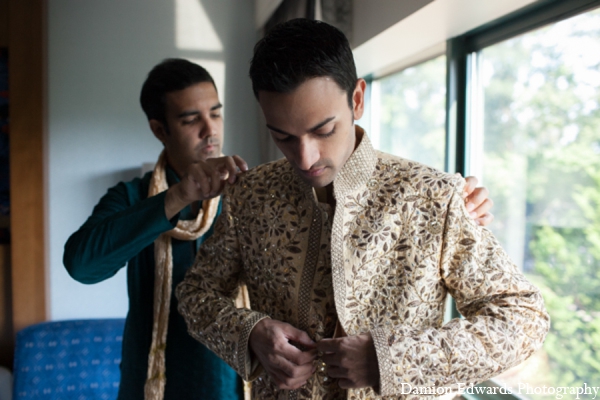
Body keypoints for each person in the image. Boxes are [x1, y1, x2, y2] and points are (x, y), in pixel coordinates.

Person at [176, 19, 549, 400]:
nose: (305, 158)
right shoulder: (249, 196)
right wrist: (251, 334)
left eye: (323, 130)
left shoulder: (432, 195)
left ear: (356, 99)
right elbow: (195, 294)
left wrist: (391, 360)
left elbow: (523, 318)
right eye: (283, 137)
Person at [63, 59, 248, 400]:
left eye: (215, 113)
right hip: (153, 386)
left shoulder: (247, 194)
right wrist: (177, 196)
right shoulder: (133, 197)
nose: (211, 130)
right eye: (191, 119)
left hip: (230, 385)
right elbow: (82, 266)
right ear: (160, 130)